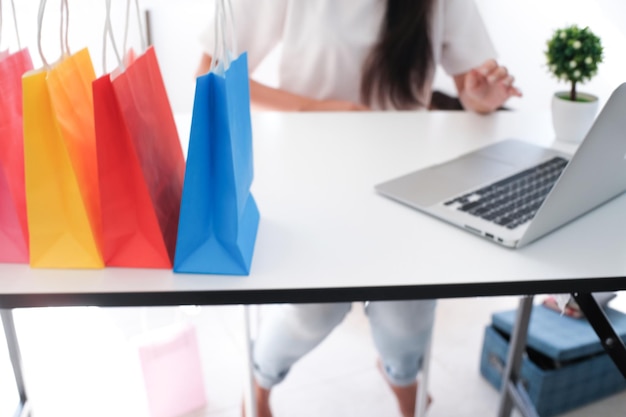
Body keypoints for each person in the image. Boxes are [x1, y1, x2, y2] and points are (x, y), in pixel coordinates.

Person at [197, 1, 521, 416]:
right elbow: (211, 72)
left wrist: (482, 98)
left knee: (407, 322)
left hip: (404, 180)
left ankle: (402, 376)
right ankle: (260, 380)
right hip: (312, 174)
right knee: (313, 314)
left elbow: (473, 87)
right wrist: (325, 109)